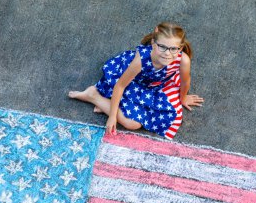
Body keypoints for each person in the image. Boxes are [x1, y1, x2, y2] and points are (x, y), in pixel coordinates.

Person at [68, 22, 204, 139]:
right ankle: (93, 96)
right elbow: (120, 86)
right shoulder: (141, 60)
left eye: (173, 49)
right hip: (133, 83)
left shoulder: (183, 60)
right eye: (162, 47)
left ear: (180, 48)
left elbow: (185, 81)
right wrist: (112, 117)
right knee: (133, 124)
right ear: (153, 43)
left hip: (154, 86)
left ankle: (105, 105)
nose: (167, 53)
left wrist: (183, 98)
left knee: (163, 115)